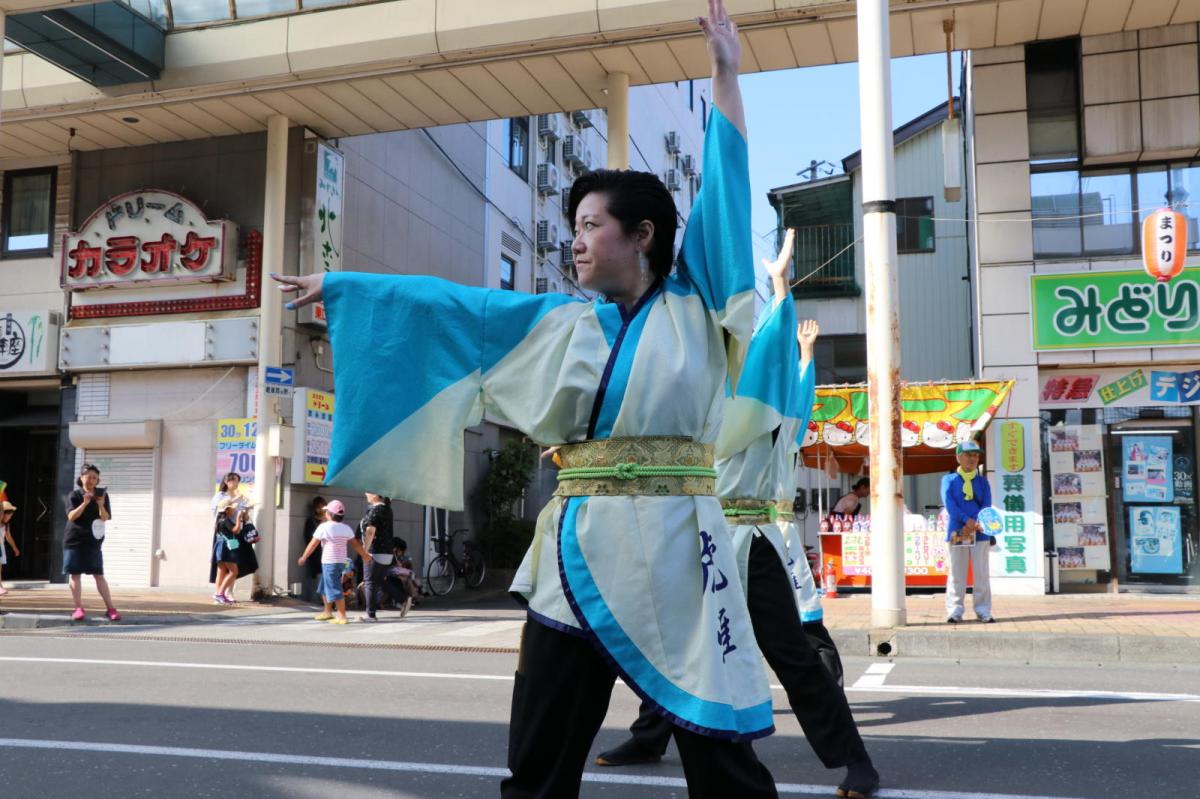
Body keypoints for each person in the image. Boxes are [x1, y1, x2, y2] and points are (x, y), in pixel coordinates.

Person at [273, 3, 780, 795]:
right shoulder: (554, 321)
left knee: (721, 759)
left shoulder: (696, 297)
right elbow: (447, 307)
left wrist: (724, 73)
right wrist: (342, 288)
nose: (574, 239)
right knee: (540, 761)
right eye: (571, 224)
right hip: (577, 555)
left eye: (589, 224)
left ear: (643, 234)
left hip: (682, 547)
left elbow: (726, 184)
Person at [594, 235, 879, 798]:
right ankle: (652, 736)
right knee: (676, 648)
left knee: (793, 656)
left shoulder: (764, 397)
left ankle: (855, 759)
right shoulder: (699, 382)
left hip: (752, 540)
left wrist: (779, 290)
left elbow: (780, 366)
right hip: (696, 532)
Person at [942, 440, 995, 624]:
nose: (973, 458)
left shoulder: (982, 482)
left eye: (976, 455)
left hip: (980, 531)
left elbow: (986, 505)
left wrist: (977, 522)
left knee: (981, 573)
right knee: (957, 573)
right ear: (958, 457)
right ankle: (954, 611)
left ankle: (983, 610)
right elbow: (950, 505)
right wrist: (967, 520)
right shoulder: (948, 480)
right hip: (958, 530)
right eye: (968, 454)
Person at [298, 499, 369, 625]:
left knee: (334, 588)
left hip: (329, 562)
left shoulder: (324, 527)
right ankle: (327, 612)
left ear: (329, 514)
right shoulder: (346, 528)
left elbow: (313, 544)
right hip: (341, 561)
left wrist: (304, 557)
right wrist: (365, 555)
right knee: (325, 587)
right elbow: (356, 545)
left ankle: (342, 616)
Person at [63, 463, 119, 622]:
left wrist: (100, 504)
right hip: (74, 540)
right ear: (81, 478)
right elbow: (71, 516)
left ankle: (111, 608)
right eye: (89, 476)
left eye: (95, 477)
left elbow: (105, 517)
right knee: (75, 575)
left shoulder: (102, 496)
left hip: (93, 541)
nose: (92, 479)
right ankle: (78, 608)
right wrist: (85, 502)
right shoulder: (74, 495)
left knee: (99, 575)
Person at [358, 492, 408, 622]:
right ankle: (403, 599)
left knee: (369, 581)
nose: (365, 494)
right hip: (386, 552)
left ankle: (370, 614)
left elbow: (370, 531)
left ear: (375, 494)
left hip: (375, 551)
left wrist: (364, 551)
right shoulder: (387, 508)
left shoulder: (376, 509)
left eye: (368, 492)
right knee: (379, 580)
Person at [210, 472, 259, 601]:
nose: (234, 483)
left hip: (235, 534)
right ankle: (219, 593)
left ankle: (227, 592)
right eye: (231, 480)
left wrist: (245, 512)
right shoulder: (220, 496)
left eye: (236, 480)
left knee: (233, 566)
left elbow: (244, 516)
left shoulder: (241, 497)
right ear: (226, 481)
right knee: (225, 568)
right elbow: (218, 511)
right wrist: (234, 504)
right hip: (225, 532)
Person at [211, 498, 243, 604]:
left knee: (221, 571)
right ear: (227, 509)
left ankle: (218, 594)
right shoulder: (226, 520)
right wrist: (239, 518)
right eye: (232, 508)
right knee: (234, 572)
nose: (234, 510)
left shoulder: (219, 520)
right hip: (226, 547)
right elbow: (236, 530)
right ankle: (220, 594)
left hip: (219, 546)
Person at [384, 538, 419, 616]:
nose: (401, 552)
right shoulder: (391, 553)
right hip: (386, 575)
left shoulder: (393, 553)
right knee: (401, 580)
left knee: (402, 580)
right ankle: (406, 599)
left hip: (389, 574)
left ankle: (406, 600)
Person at [301, 496, 327, 601]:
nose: (321, 509)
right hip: (316, 555)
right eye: (318, 507)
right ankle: (316, 601)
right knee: (318, 578)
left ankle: (326, 603)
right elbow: (310, 539)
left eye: (323, 506)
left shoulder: (331, 521)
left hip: (329, 554)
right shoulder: (311, 521)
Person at [0, 500, 20, 595]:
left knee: (0, 568)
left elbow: (9, 537)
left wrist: (14, 548)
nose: (10, 518)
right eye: (9, 515)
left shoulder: (6, 525)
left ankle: (0, 586)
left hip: (1, 547)